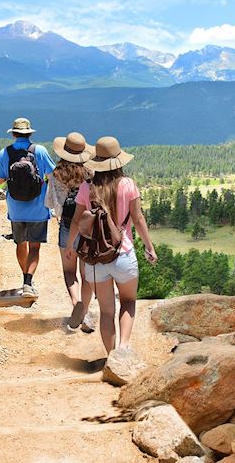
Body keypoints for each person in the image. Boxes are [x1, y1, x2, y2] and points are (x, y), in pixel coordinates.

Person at [65, 136, 157, 354]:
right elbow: (138, 218)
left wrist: (70, 246)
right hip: (123, 254)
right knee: (128, 303)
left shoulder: (87, 188)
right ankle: (123, 349)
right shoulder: (128, 184)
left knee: (106, 311)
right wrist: (149, 247)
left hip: (96, 259)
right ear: (118, 161)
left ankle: (110, 357)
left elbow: (77, 220)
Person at [0, 118, 55, 298]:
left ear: (13, 134)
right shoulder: (41, 151)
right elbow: (52, 174)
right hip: (38, 208)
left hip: (15, 208)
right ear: (30, 133)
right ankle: (28, 282)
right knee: (35, 247)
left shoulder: (5, 152)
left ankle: (25, 278)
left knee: (20, 243)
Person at [46, 132, 96, 332]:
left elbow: (51, 204)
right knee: (87, 275)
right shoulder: (90, 175)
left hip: (67, 225)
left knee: (69, 271)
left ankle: (76, 303)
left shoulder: (56, 174)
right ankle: (85, 313)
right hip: (88, 228)